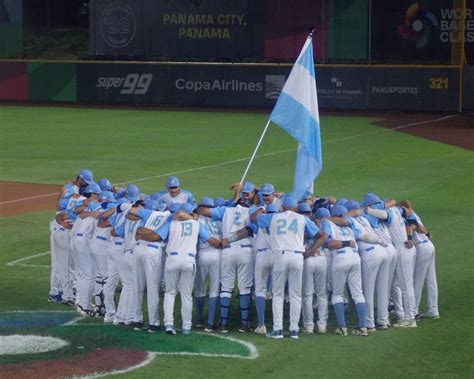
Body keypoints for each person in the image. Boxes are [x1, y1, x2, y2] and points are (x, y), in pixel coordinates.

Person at [253, 196, 322, 339]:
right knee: (295, 294)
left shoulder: (274, 217)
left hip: (280, 255)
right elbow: (319, 234)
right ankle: (294, 331)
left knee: (277, 294)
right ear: (295, 208)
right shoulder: (303, 219)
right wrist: (311, 249)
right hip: (297, 256)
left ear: (282, 207)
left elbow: (256, 218)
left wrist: (263, 208)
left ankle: (278, 330)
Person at [195, 197, 257, 333]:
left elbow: (204, 211)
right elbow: (257, 217)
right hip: (246, 250)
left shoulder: (225, 210)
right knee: (245, 288)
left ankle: (223, 324)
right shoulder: (251, 209)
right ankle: (244, 324)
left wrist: (198, 209)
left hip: (227, 250)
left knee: (226, 288)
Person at [160, 203, 222, 335]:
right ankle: (186, 327)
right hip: (189, 260)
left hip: (172, 259)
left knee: (170, 293)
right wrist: (223, 243)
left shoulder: (171, 222)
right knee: (186, 295)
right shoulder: (197, 224)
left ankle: (169, 324)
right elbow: (212, 241)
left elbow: (159, 236)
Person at [321, 205, 368, 336]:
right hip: (355, 258)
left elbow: (330, 244)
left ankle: (342, 328)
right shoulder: (351, 225)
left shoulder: (328, 223)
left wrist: (344, 243)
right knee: (358, 293)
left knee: (337, 294)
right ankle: (363, 327)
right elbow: (363, 236)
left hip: (341, 258)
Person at [126, 198, 170, 333]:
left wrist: (144, 232)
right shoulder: (168, 217)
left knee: (137, 286)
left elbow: (139, 232)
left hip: (138, 249)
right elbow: (155, 237)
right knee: (152, 288)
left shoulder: (148, 213)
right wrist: (149, 233)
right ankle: (153, 323)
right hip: (152, 252)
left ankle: (137, 320)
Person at [398, 200, 439, 319]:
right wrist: (427, 233)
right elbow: (423, 229)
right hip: (429, 246)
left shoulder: (407, 216)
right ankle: (433, 309)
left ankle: (414, 310)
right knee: (431, 279)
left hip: (422, 249)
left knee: (417, 280)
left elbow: (412, 227)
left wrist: (410, 238)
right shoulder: (414, 214)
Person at [299, 202, 329, 334]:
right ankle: (322, 325)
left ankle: (309, 326)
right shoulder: (313, 223)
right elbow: (324, 236)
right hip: (321, 258)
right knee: (322, 294)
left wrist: (309, 251)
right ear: (310, 213)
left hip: (307, 260)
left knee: (307, 294)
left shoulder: (297, 222)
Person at [193, 197, 222, 332]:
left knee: (200, 289)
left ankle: (199, 320)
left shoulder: (196, 219)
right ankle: (210, 323)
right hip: (218, 255)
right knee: (214, 290)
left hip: (202, 255)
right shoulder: (219, 219)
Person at [252, 203, 279, 335]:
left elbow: (254, 217)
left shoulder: (261, 218)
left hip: (262, 255)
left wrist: (262, 208)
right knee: (277, 292)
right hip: (276, 255)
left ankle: (261, 324)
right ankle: (277, 324)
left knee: (260, 290)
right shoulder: (280, 220)